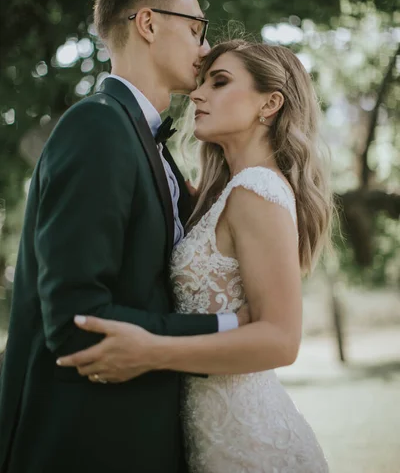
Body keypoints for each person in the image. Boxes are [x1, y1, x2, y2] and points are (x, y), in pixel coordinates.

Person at [0, 0, 250, 473]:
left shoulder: (151, 146)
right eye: (197, 28)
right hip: (85, 442)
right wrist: (226, 326)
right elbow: (76, 319)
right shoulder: (97, 127)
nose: (205, 49)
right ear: (149, 24)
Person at [58, 39, 333, 472]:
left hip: (247, 441)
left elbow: (282, 340)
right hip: (204, 432)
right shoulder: (224, 194)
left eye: (219, 82)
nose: (198, 94)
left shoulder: (256, 191)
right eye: (202, 82)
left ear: (270, 103)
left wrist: (152, 351)